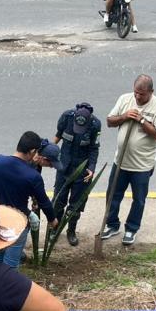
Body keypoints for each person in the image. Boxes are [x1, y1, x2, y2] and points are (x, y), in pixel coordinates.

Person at [100, 74, 156, 246]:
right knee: (112, 195)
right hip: (121, 162)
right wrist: (124, 116)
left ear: (151, 92)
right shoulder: (125, 99)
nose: (137, 96)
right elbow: (109, 121)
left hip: (142, 166)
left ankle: (131, 228)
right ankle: (112, 225)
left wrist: (142, 120)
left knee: (139, 199)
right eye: (136, 92)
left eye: (142, 94)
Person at [0, 132, 59, 268]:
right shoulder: (33, 176)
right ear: (32, 151)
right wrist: (52, 219)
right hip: (18, 223)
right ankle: (6, 281)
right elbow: (44, 202)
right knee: (10, 265)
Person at [52, 103, 102, 246]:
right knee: (58, 200)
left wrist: (91, 168)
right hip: (63, 167)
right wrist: (48, 152)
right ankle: (55, 229)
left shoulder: (95, 124)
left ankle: (71, 231)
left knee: (76, 204)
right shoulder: (66, 117)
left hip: (82, 170)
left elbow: (94, 148)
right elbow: (57, 136)